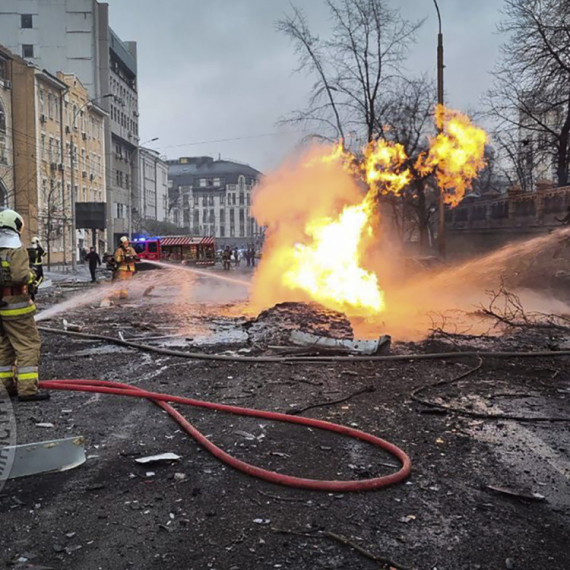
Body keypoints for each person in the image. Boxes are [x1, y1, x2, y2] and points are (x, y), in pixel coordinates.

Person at [0, 208, 49, 402]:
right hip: (16, 306)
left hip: (1, 306)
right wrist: (32, 275)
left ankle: (5, 387)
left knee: (5, 346)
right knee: (28, 344)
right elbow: (20, 276)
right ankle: (28, 389)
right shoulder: (15, 249)